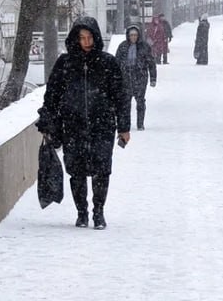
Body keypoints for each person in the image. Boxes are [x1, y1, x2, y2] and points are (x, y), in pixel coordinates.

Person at [36, 16, 130, 230]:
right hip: (73, 126)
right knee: (76, 171)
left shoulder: (107, 63)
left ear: (96, 37)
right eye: (82, 38)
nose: (86, 42)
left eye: (89, 37)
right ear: (75, 39)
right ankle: (81, 213)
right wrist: (47, 121)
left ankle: (99, 212)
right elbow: (52, 95)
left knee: (101, 170)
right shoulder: (65, 63)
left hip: (102, 126)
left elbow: (121, 97)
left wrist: (124, 127)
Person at [114, 24, 157, 131]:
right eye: (131, 35)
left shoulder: (144, 47)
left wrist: (153, 78)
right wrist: (115, 78)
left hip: (140, 78)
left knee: (140, 101)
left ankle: (140, 124)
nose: (133, 37)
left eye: (135, 35)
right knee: (125, 103)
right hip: (126, 78)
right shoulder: (123, 46)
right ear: (128, 36)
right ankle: (126, 123)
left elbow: (151, 63)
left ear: (138, 35)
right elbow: (116, 63)